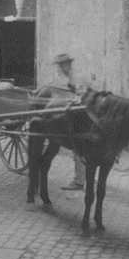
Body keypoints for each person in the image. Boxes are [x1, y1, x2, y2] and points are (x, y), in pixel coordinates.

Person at [45, 52, 87, 191]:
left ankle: (79, 182)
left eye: (63, 65)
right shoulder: (64, 76)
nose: (61, 67)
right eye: (60, 65)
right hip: (73, 111)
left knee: (78, 147)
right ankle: (84, 177)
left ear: (68, 64)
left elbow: (82, 95)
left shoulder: (77, 76)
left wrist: (73, 100)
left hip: (81, 114)